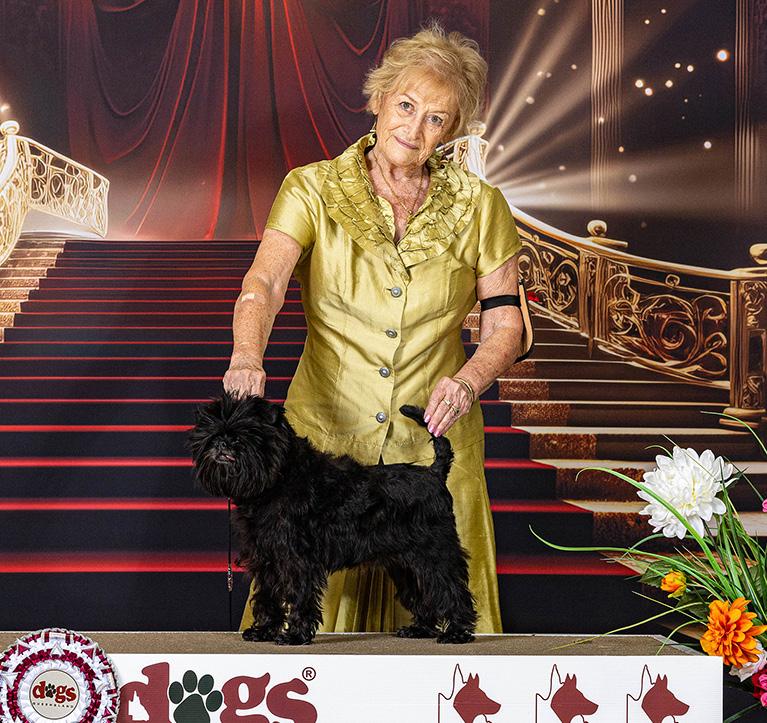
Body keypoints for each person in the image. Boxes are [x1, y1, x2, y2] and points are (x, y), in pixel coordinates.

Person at [224, 23, 525, 635]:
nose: (413, 129)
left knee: (446, 618)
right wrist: (247, 355)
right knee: (301, 613)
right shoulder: (310, 187)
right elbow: (264, 284)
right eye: (406, 106)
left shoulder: (482, 205)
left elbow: (506, 324)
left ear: (453, 131)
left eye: (436, 119)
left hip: (434, 438)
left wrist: (468, 381)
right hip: (322, 450)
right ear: (379, 99)